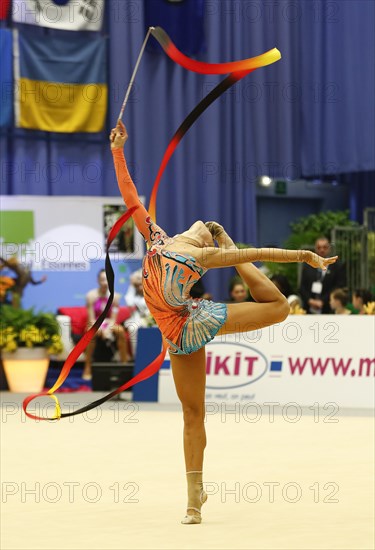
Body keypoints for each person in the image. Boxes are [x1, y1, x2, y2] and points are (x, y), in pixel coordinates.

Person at [110, 120, 338, 524]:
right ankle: (194, 496)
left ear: (202, 242)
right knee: (192, 414)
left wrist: (303, 256)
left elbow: (265, 249)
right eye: (205, 227)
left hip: (191, 321)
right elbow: (130, 196)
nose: (203, 225)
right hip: (176, 330)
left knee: (280, 307)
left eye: (207, 230)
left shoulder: (202, 257)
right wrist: (117, 150)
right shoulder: (156, 237)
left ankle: (194, 499)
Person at [82, 269, 129, 380]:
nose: (105, 282)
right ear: (98, 280)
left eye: (107, 280)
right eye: (102, 280)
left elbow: (113, 318)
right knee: (92, 332)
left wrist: (107, 329)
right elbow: (91, 318)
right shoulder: (91, 296)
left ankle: (124, 365)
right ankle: (87, 366)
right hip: (95, 323)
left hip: (109, 323)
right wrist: (100, 329)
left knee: (120, 330)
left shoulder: (116, 297)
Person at [299, 236, 346, 313]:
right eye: (319, 247)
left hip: (329, 308)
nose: (322, 250)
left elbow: (338, 286)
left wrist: (323, 301)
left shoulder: (337, 266)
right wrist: (309, 300)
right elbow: (302, 287)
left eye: (325, 247)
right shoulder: (307, 265)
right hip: (309, 308)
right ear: (315, 249)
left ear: (329, 248)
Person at [124, 268, 151, 358]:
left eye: (141, 284)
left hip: (151, 319)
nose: (140, 287)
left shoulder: (152, 293)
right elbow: (129, 303)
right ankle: (136, 357)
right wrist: (132, 285)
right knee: (133, 328)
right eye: (137, 285)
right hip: (136, 319)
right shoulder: (133, 294)